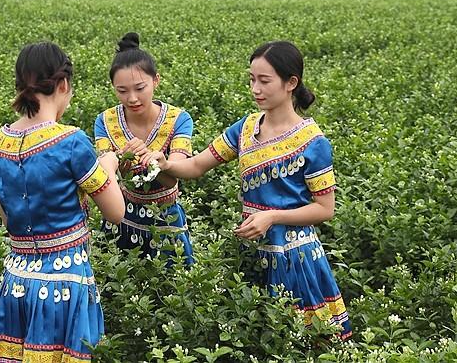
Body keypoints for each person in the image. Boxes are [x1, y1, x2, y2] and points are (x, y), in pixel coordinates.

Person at [141, 41, 352, 339]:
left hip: (294, 257)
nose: (255, 88)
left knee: (301, 341)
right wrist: (164, 164)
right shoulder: (245, 128)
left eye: (264, 81)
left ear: (291, 82)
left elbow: (324, 209)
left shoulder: (313, 142)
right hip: (251, 251)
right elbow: (197, 166)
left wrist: (272, 217)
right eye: (252, 79)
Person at [0, 42, 125, 362]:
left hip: (15, 283)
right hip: (64, 284)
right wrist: (109, 166)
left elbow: (8, 219)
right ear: (63, 85)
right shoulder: (70, 141)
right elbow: (116, 212)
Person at [94, 32, 194, 264]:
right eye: (122, 91)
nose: (132, 98)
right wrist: (121, 161)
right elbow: (108, 178)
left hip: (165, 218)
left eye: (140, 88)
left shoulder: (178, 119)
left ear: (156, 80)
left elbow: (174, 178)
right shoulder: (105, 121)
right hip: (121, 217)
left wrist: (159, 162)